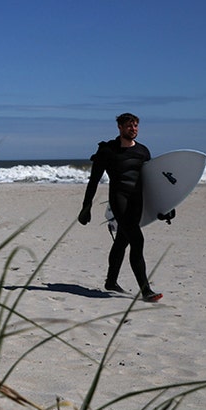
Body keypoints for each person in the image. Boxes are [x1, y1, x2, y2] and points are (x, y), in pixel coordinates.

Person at [78, 113, 164, 302]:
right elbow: (93, 181)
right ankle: (146, 290)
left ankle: (111, 282)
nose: (133, 129)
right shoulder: (107, 151)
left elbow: (152, 182)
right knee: (137, 240)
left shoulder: (143, 151)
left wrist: (164, 206)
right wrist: (86, 206)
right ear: (119, 127)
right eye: (128, 126)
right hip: (119, 199)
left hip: (137, 201)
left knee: (122, 241)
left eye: (135, 126)